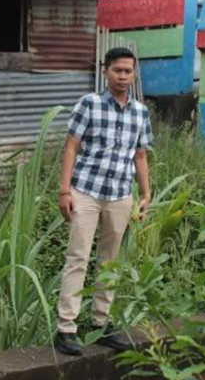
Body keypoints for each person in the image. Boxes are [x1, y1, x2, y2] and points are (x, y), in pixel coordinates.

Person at [53, 46, 152, 357]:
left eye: (127, 71)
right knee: (78, 257)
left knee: (110, 260)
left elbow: (140, 155)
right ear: (106, 71)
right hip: (86, 191)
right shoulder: (90, 104)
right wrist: (64, 190)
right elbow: (71, 147)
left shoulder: (140, 112)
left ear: (134, 73)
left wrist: (146, 193)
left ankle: (101, 321)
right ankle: (66, 328)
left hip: (121, 194)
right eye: (117, 70)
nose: (122, 76)